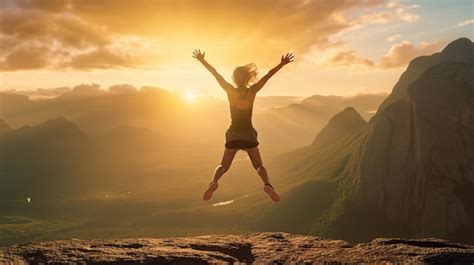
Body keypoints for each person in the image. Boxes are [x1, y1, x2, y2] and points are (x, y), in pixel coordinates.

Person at [192, 49, 294, 202]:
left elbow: (216, 74)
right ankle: (267, 185)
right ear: (249, 78)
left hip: (233, 134)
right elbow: (268, 76)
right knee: (259, 165)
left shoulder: (230, 91)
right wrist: (282, 64)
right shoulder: (253, 90)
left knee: (223, 166)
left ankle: (214, 182)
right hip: (249, 135)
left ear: (234, 78)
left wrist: (202, 60)